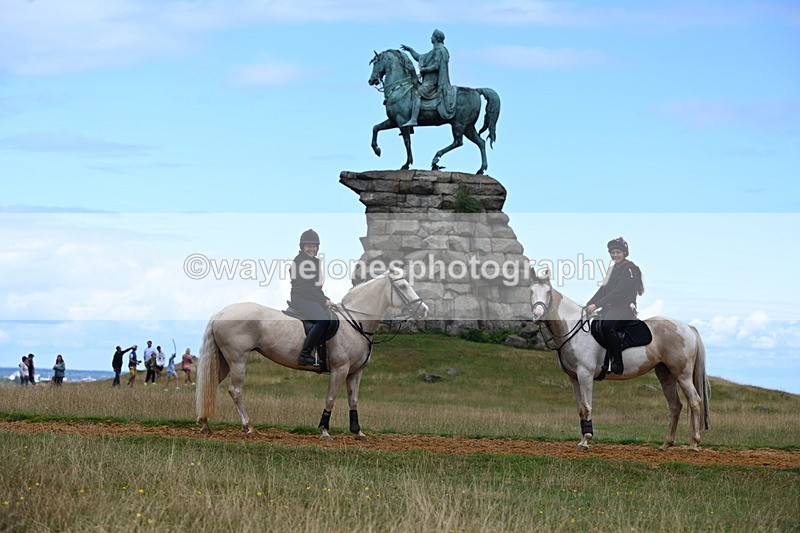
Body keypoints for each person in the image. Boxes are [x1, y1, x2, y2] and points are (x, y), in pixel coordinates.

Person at [586, 237, 645, 375]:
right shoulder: (612, 270)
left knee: (607, 325)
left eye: (618, 252)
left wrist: (597, 305)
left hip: (625, 308)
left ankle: (617, 363)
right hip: (611, 308)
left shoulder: (630, 270)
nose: (615, 255)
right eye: (612, 253)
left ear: (624, 253)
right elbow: (602, 290)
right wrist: (589, 304)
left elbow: (618, 292)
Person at [290, 229, 335, 367]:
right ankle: (305, 354)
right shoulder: (300, 262)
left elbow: (316, 288)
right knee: (323, 320)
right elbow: (306, 288)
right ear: (303, 247)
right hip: (301, 297)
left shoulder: (314, 262)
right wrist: (323, 301)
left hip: (310, 297)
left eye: (314, 246)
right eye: (308, 246)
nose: (312, 249)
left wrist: (326, 298)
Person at [400, 29, 456, 127]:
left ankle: (414, 119)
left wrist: (424, 70)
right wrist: (410, 50)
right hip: (428, 81)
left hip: (432, 82)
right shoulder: (433, 51)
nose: (431, 38)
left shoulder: (439, 50)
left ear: (436, 38)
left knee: (417, 94)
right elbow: (419, 57)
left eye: (432, 36)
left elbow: (436, 66)